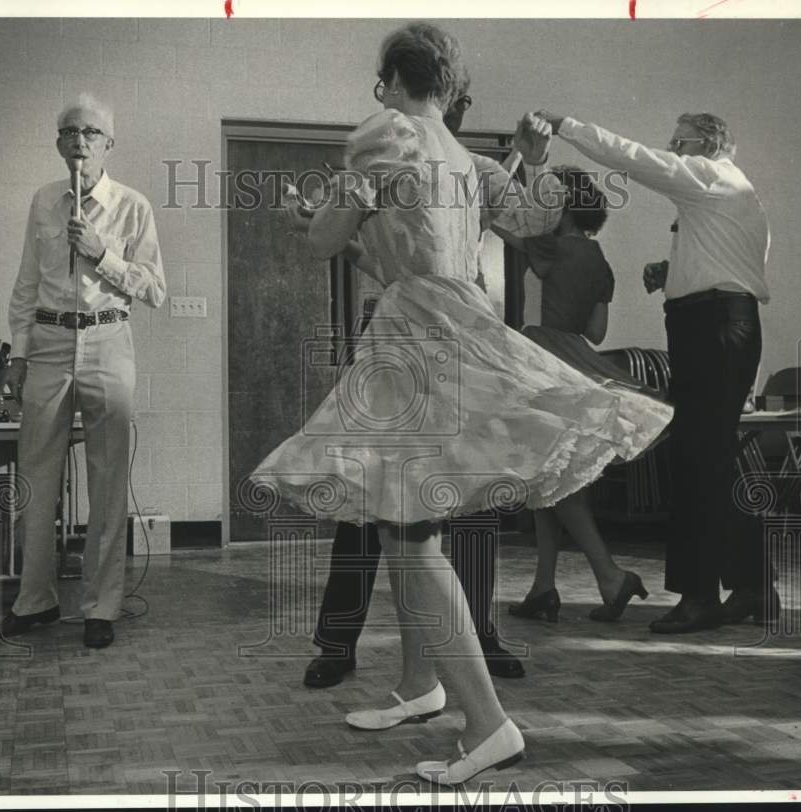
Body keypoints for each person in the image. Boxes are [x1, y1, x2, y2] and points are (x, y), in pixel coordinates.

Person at [252, 24, 671, 784]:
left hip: (417, 335)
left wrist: (301, 216)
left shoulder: (386, 133)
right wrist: (531, 159)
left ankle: (488, 725)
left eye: (380, 84)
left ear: (390, 81)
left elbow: (326, 241)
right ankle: (421, 686)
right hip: (456, 324)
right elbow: (531, 219)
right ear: (448, 85)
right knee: (401, 518)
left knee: (408, 534)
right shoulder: (467, 159)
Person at [302, 90, 547, 690]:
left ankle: (475, 636)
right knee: (372, 495)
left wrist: (529, 163)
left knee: (468, 495)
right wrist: (328, 222)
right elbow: (373, 258)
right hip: (403, 337)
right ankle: (338, 642)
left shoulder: (471, 169)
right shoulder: (394, 159)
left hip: (464, 337)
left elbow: (527, 222)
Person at [533, 110, 773, 633]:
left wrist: (570, 126)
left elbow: (634, 158)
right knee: (717, 459)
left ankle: (699, 598)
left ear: (705, 143)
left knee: (695, 462)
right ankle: (753, 588)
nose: (671, 148)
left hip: (711, 329)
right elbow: (734, 265)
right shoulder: (730, 192)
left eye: (679, 142)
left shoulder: (709, 175)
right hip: (722, 324)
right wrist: (674, 271)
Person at [0, 94, 166, 649]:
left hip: (108, 339)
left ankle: (101, 606)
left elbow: (156, 291)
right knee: (36, 477)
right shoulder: (43, 201)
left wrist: (101, 254)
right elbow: (25, 285)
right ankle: (35, 600)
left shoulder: (133, 206)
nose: (80, 141)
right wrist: (18, 356)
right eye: (69, 132)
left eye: (91, 132)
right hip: (45, 343)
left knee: (108, 479)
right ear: (58, 142)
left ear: (108, 144)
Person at [494, 167, 655, 623]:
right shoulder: (599, 260)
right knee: (548, 478)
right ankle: (544, 588)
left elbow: (499, 222)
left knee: (552, 479)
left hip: (539, 358)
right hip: (575, 357)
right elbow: (596, 331)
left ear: (559, 207)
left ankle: (609, 574)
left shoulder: (548, 246)